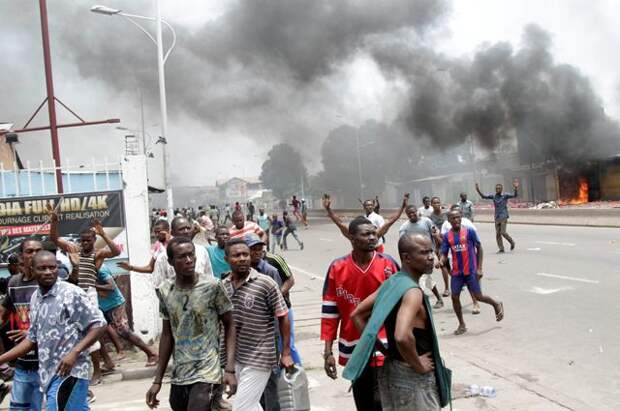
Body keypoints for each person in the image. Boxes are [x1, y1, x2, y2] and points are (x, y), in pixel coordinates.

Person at [348, 234, 449, 410]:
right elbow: (402, 336)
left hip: (393, 369)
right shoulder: (412, 292)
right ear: (407, 258)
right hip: (412, 377)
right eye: (424, 252)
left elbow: (357, 315)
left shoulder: (393, 282)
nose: (431, 257)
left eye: (431, 251)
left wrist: (384, 350)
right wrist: (418, 364)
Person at [0, 250, 107, 410]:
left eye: (52, 267)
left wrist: (74, 352)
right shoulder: (36, 298)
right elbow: (31, 340)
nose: (48, 272)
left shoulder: (71, 293)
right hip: (49, 374)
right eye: (42, 268)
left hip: (71, 372)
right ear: (32, 269)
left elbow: (99, 324)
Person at [146, 238, 237, 411]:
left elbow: (230, 325)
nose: (189, 260)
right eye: (182, 257)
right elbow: (167, 334)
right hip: (180, 372)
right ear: (171, 262)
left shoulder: (212, 286)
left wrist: (230, 369)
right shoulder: (166, 290)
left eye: (191, 255)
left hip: (208, 370)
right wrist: (157, 380)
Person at [321, 216, 400, 411]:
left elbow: (403, 305)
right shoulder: (337, 268)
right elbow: (330, 312)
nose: (373, 237)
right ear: (352, 238)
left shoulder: (388, 264)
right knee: (363, 401)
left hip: (385, 345)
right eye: (366, 234)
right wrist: (328, 352)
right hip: (354, 346)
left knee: (386, 402)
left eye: (374, 233)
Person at [221, 238, 293, 411]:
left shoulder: (265, 283)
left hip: (260, 356)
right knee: (251, 404)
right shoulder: (222, 287)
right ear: (226, 259)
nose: (242, 258)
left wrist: (285, 353)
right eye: (236, 255)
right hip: (236, 356)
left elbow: (283, 317)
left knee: (241, 407)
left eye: (245, 254)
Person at [440, 211, 504, 335]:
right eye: (453, 218)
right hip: (457, 273)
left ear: (461, 218)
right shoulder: (447, 236)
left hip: (471, 270)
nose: (456, 220)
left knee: (478, 296)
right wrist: (441, 261)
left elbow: (479, 248)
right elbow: (444, 252)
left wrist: (479, 268)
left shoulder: (469, 231)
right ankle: (461, 324)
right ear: (449, 220)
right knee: (454, 297)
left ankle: (496, 304)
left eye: (458, 217)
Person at [0, 239, 44, 411]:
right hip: (23, 363)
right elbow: (3, 315)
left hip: (48, 363)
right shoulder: (14, 283)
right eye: (30, 251)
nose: (35, 255)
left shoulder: (50, 283)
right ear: (21, 256)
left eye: (38, 250)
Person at [119, 217, 213, 289]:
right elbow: (158, 286)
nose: (186, 231)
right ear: (173, 232)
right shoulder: (163, 256)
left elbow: (209, 278)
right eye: (182, 229)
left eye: (188, 228)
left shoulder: (202, 251)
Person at [96, 264, 158, 366]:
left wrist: (94, 286)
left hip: (114, 305)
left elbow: (112, 286)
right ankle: (108, 362)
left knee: (124, 331)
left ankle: (151, 353)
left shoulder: (101, 269)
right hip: (103, 305)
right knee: (97, 332)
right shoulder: (93, 268)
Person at [323, 194, 409, 254]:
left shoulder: (377, 222)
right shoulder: (355, 236)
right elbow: (340, 223)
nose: (370, 237)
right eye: (364, 234)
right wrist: (328, 209)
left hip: (377, 248)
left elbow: (390, 222)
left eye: (372, 233)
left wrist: (402, 206)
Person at [398, 206, 444, 308]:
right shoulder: (405, 227)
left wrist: (438, 249)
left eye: (413, 212)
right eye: (409, 214)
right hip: (415, 256)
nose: (411, 215)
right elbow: (402, 242)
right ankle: (436, 299)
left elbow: (435, 233)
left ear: (417, 212)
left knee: (422, 278)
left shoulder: (426, 221)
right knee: (424, 277)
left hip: (428, 253)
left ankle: (420, 304)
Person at [475, 180, 519, 252]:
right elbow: (483, 196)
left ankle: (512, 242)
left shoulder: (505, 196)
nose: (497, 189)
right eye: (496, 188)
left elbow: (515, 195)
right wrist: (478, 190)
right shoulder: (493, 196)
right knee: (498, 234)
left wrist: (516, 188)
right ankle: (501, 248)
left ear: (501, 189)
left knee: (503, 232)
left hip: (503, 216)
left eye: (499, 188)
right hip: (497, 217)